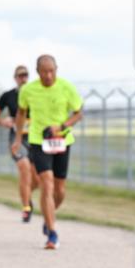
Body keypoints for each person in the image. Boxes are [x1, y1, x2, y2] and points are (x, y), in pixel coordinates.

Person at [14, 55, 83, 249]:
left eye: (52, 70)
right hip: (38, 140)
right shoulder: (28, 90)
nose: (48, 75)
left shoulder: (66, 87)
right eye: (44, 71)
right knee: (47, 183)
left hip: (62, 141)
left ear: (56, 69)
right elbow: (20, 114)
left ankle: (48, 216)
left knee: (60, 190)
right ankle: (52, 233)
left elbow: (78, 113)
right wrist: (18, 138)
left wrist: (62, 125)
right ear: (37, 72)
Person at [0, 65, 38, 221]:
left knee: (38, 178)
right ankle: (26, 207)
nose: (23, 78)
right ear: (15, 78)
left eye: (26, 75)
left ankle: (26, 192)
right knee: (24, 167)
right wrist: (2, 121)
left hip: (35, 139)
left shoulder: (36, 93)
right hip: (17, 138)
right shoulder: (8, 96)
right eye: (20, 76)